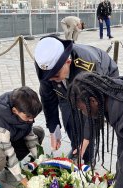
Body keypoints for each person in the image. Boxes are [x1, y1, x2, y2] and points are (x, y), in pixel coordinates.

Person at [34, 35, 118, 163]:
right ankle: (75, 148)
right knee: (69, 120)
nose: (52, 80)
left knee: (86, 122)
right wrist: (53, 131)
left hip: (99, 79)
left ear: (68, 62)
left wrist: (85, 141)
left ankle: (87, 157)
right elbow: (48, 99)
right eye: (49, 77)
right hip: (66, 89)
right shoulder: (44, 66)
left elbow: (94, 111)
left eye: (55, 75)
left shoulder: (88, 67)